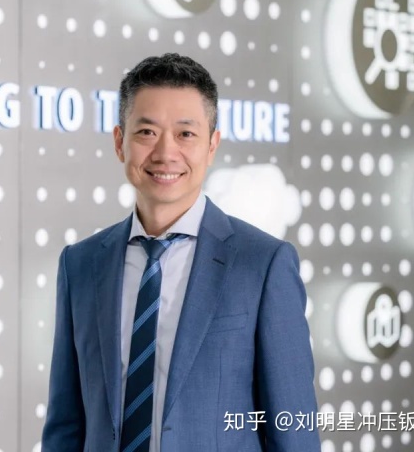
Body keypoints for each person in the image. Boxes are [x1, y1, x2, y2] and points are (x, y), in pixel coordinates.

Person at [41, 53, 320, 452]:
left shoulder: (262, 264)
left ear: (212, 145)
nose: (165, 153)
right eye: (147, 132)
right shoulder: (81, 265)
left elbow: (293, 430)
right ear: (120, 142)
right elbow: (65, 427)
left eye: (186, 134)